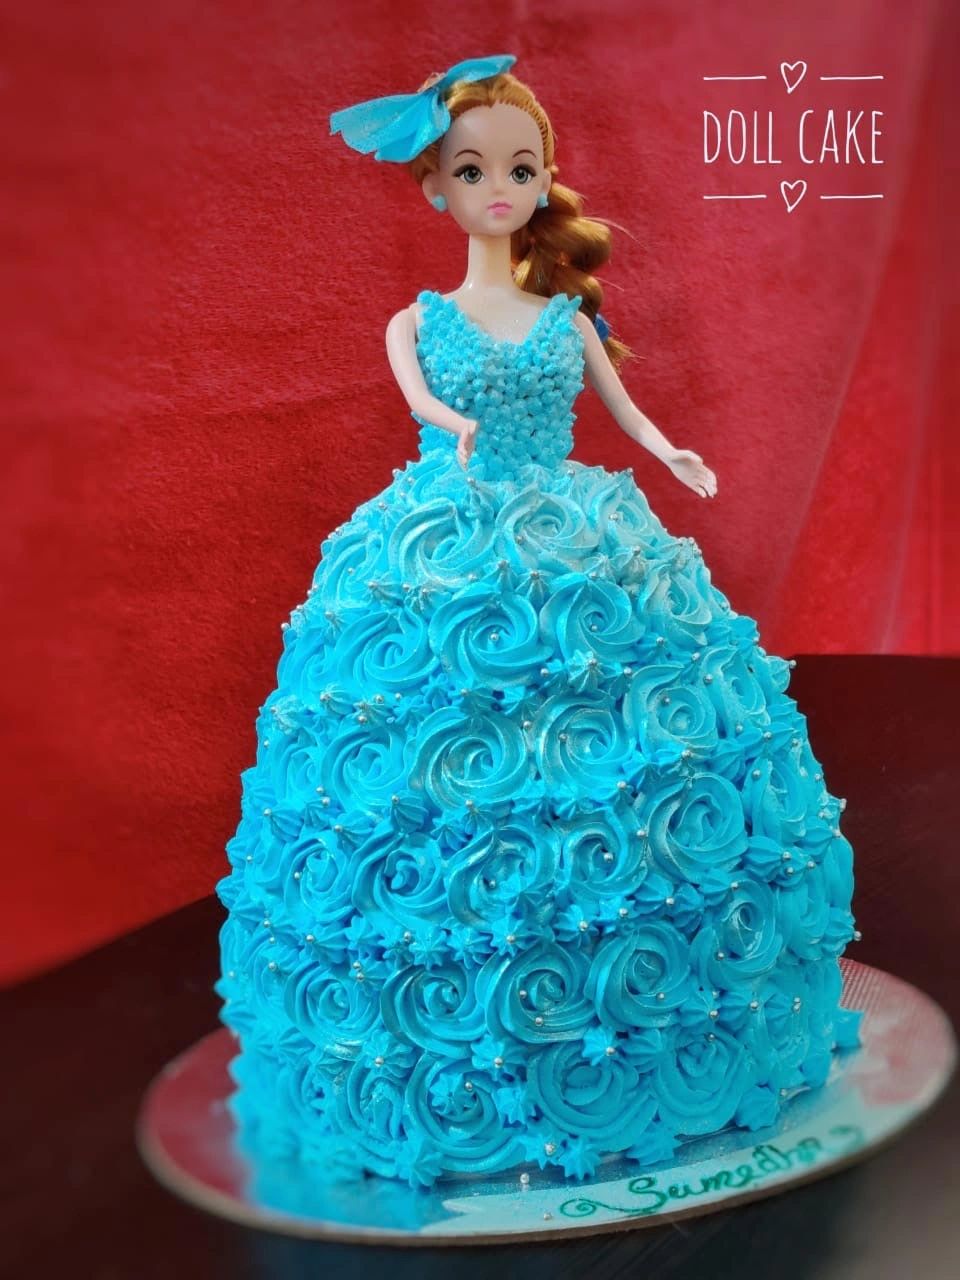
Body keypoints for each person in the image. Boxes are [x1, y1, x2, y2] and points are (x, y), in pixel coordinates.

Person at [215, 54, 860, 1190]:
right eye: (473, 171)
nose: (498, 189)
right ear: (435, 187)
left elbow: (627, 414)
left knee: (650, 734)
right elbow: (421, 399)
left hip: (579, 535)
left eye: (519, 168)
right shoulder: (414, 321)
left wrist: (671, 452)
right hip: (442, 544)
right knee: (427, 749)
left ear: (545, 177)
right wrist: (449, 424)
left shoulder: (569, 319)